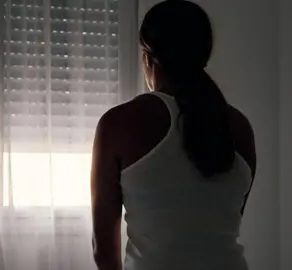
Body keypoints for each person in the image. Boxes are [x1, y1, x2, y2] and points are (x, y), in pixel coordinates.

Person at [90, 0, 257, 269]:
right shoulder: (239, 127)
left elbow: (104, 251)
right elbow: (219, 225)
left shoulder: (118, 124)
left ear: (147, 56)